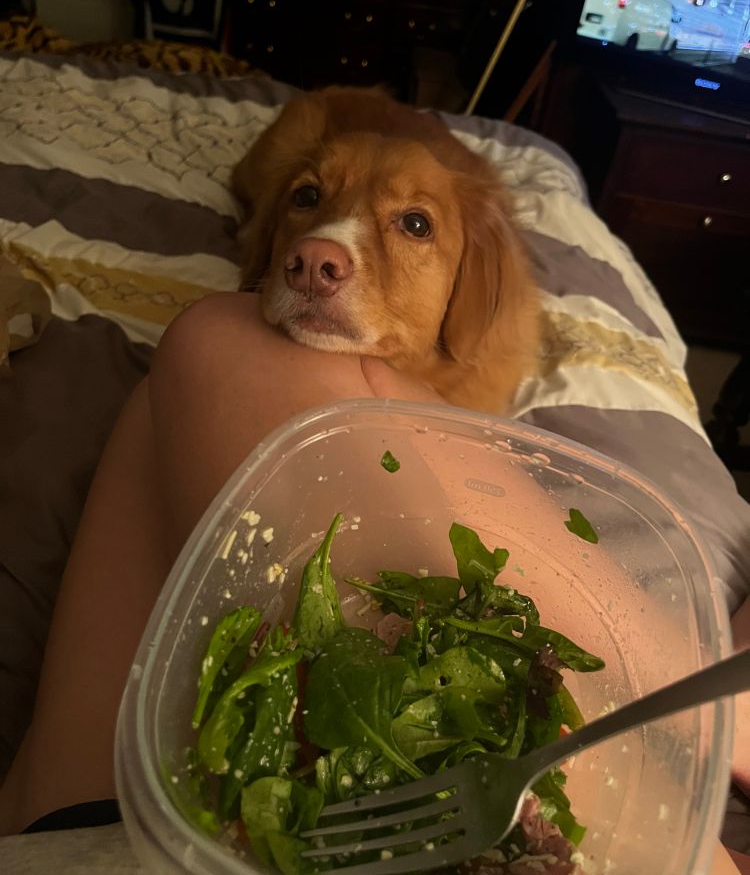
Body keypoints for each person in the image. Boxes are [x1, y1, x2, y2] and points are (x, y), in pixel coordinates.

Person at [0, 292, 747, 874]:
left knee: (223, 341)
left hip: (73, 842)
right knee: (221, 358)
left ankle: (725, 703)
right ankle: (726, 703)